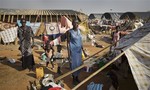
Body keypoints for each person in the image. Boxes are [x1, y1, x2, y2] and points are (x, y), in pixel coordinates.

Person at [66, 19, 87, 85]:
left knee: (79, 65)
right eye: (75, 23)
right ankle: (74, 79)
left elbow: (81, 42)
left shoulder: (79, 31)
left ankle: (77, 78)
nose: (77, 24)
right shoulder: (69, 32)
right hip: (73, 52)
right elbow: (68, 44)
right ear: (72, 24)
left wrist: (84, 51)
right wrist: (69, 55)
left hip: (79, 51)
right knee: (73, 66)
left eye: (77, 23)